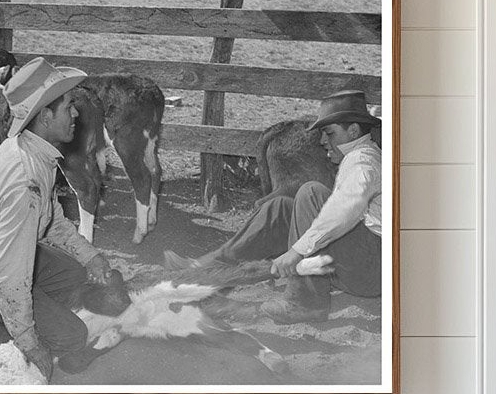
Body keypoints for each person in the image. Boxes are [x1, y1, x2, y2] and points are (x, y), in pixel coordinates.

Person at [0, 57, 112, 381]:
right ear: (46, 116)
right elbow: (9, 277)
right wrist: (31, 341)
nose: (75, 113)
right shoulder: (25, 179)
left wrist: (90, 257)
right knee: (70, 337)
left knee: (73, 273)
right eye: (68, 107)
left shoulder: (32, 151)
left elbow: (52, 221)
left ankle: (10, 316)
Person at [164, 89, 382, 324]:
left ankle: (305, 303)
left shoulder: (363, 161)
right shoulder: (360, 156)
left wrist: (295, 252)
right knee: (280, 207)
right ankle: (206, 270)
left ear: (353, 131)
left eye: (329, 133)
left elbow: (343, 212)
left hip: (372, 270)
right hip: (363, 260)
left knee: (311, 193)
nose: (322, 141)